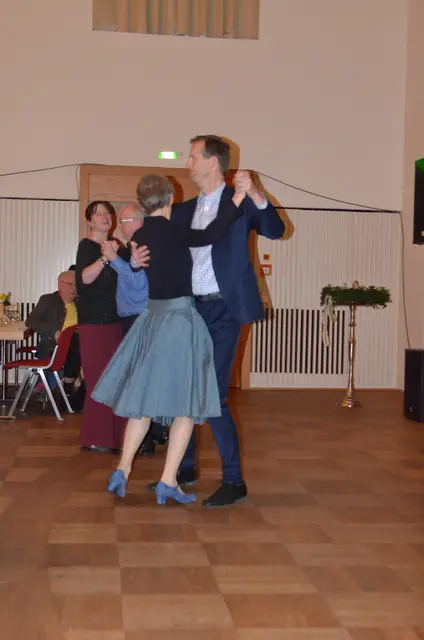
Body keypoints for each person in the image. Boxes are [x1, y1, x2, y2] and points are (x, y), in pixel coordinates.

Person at [148, 135, 285, 507]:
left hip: (225, 308)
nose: (187, 163)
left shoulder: (240, 202)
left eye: (192, 156)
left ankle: (234, 481)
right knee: (184, 390)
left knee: (214, 396)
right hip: (188, 309)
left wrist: (254, 193)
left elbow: (276, 230)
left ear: (212, 162)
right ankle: (184, 468)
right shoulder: (183, 210)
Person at [92, 174, 246, 505]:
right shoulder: (175, 230)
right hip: (178, 321)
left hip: (151, 320)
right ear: (171, 199)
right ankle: (168, 481)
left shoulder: (141, 234)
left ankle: (122, 470)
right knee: (186, 408)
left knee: (143, 403)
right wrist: (235, 201)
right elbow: (210, 234)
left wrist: (132, 262)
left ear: (143, 203)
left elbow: (137, 266)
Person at [101, 203, 168, 455]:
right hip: (138, 318)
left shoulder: (142, 246)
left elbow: (140, 286)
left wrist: (114, 260)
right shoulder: (136, 245)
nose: (119, 225)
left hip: (142, 318)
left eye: (123, 220)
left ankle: (147, 438)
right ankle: (155, 431)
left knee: (141, 380)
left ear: (138, 221)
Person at [75, 201, 127, 453]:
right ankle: (97, 437)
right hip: (94, 325)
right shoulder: (87, 246)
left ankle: (118, 437)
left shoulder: (118, 246)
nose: (105, 216)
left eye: (108, 212)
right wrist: (106, 258)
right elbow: (84, 279)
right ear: (90, 221)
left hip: (118, 323)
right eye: (99, 213)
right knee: (98, 380)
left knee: (118, 380)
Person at [26, 270, 81, 397]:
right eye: (70, 284)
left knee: (77, 340)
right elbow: (31, 320)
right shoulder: (48, 300)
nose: (74, 288)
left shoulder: (80, 303)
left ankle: (65, 385)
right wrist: (54, 332)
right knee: (74, 341)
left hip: (78, 345)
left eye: (76, 285)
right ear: (60, 284)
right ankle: (67, 387)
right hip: (53, 345)